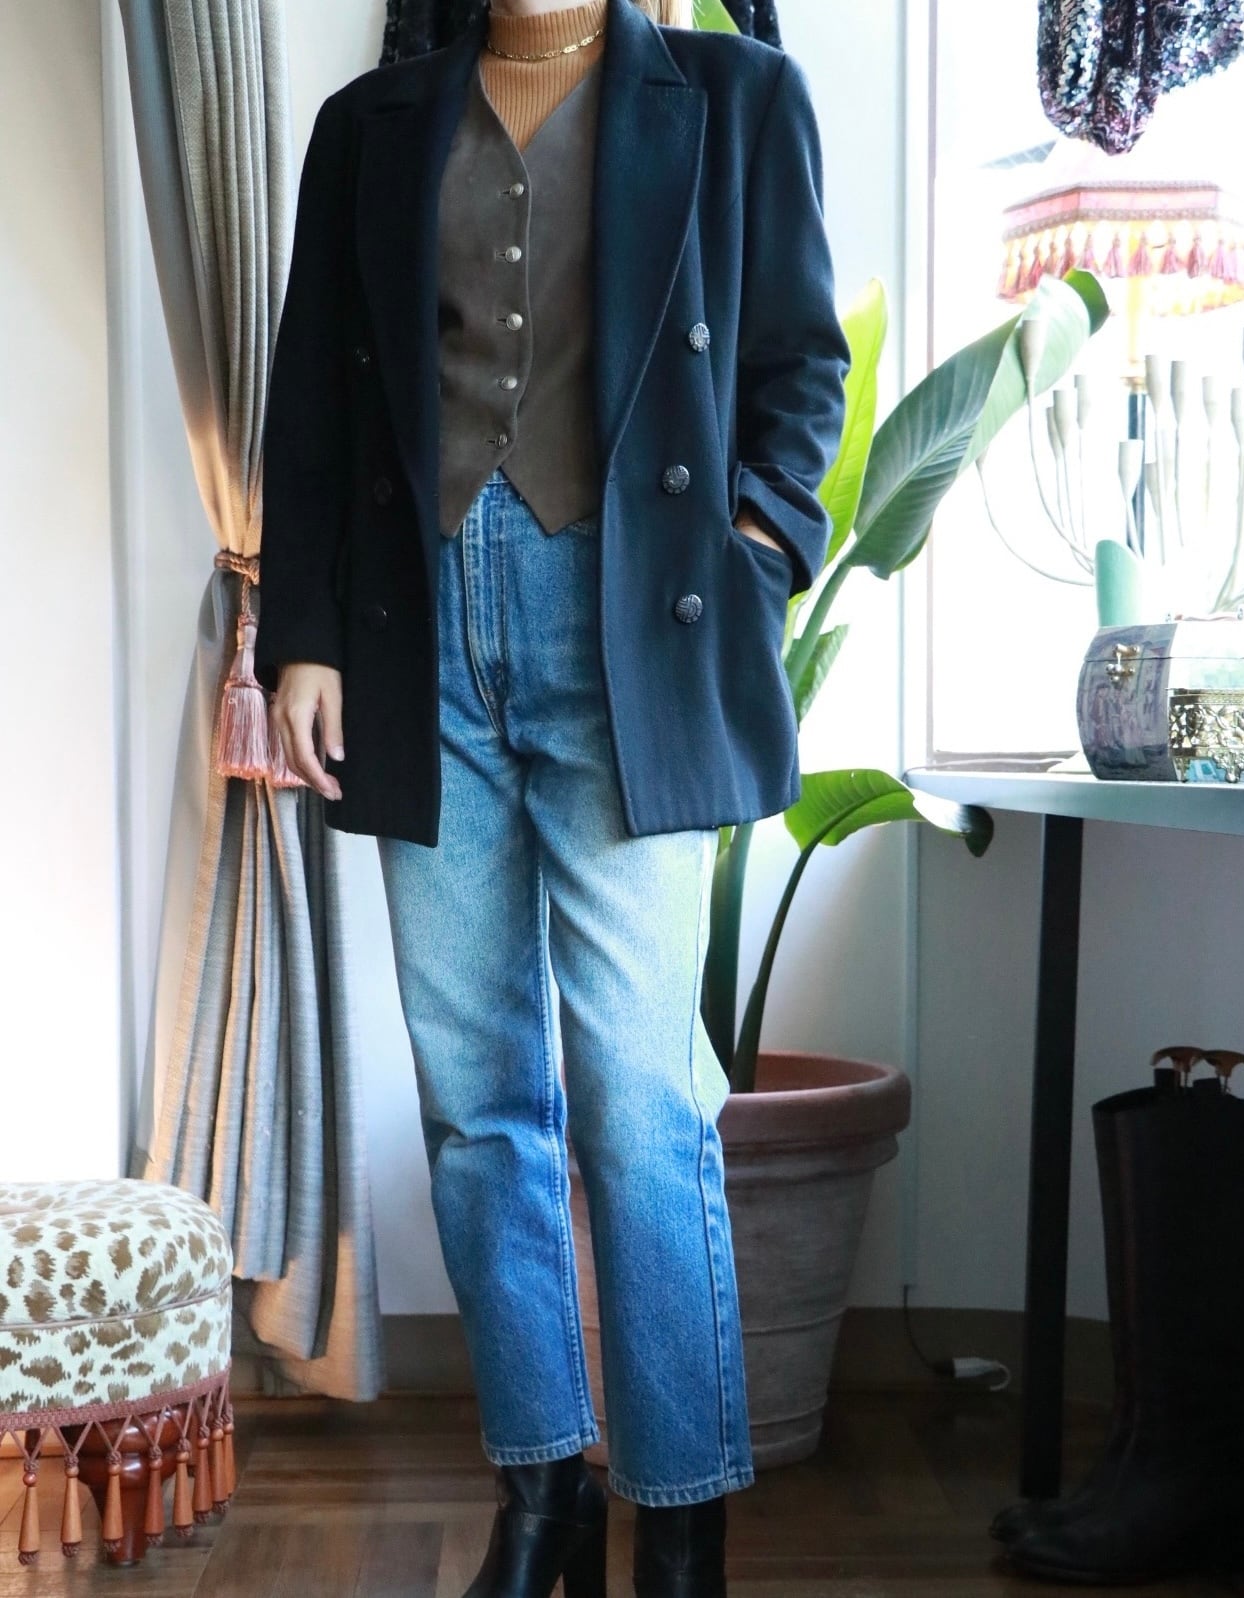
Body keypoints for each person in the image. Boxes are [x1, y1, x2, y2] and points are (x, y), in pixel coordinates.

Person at [254, 0, 849, 1591]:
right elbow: (313, 398)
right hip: (415, 639)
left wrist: (754, 550)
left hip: (634, 640)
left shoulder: (734, 97)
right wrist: (300, 637)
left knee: (640, 1099)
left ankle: (679, 1517)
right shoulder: (368, 128)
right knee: (477, 1104)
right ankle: (541, 1495)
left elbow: (798, 363)